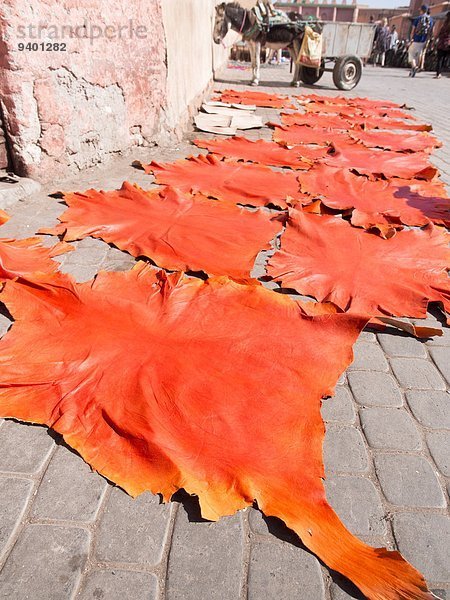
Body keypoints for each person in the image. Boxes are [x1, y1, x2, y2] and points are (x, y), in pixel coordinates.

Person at [408, 4, 433, 77]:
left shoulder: (418, 18)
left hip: (416, 39)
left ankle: (414, 67)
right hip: (423, 41)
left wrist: (411, 39)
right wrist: (428, 41)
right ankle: (412, 71)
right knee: (417, 56)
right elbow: (431, 32)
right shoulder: (430, 20)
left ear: (422, 10)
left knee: (411, 54)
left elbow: (413, 30)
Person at [435, 11, 450, 78]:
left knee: (440, 59)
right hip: (448, 43)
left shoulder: (444, 25)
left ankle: (438, 74)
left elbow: (438, 34)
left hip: (441, 43)